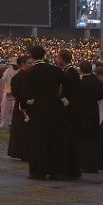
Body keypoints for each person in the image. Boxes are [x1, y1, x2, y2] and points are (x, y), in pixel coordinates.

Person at [22, 45, 67, 180]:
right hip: (54, 109)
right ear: (44, 55)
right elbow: (65, 82)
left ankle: (38, 171)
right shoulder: (55, 70)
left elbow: (26, 93)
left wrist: (28, 104)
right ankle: (54, 171)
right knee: (54, 140)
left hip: (38, 110)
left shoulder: (30, 73)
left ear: (32, 56)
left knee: (38, 141)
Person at [57, 49, 82, 179]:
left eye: (58, 57)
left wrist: (65, 100)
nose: (57, 59)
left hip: (70, 112)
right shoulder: (67, 71)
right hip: (69, 111)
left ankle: (71, 170)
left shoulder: (71, 72)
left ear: (62, 58)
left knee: (70, 141)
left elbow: (72, 92)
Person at [77, 61, 103, 173]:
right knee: (93, 138)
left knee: (85, 139)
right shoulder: (96, 81)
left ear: (81, 70)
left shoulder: (82, 83)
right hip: (94, 110)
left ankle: (86, 164)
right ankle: (94, 164)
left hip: (84, 113)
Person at [8, 56, 32, 161]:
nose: (31, 65)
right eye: (29, 63)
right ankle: (21, 152)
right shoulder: (18, 77)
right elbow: (16, 92)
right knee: (21, 129)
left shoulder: (30, 75)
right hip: (21, 105)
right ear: (22, 64)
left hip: (29, 104)